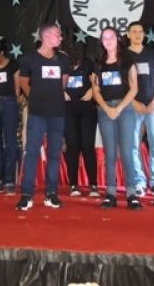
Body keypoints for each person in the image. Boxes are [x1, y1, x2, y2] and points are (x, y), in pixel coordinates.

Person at [15, 24, 70, 211]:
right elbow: (23, 81)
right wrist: (35, 98)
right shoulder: (29, 59)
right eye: (57, 35)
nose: (60, 38)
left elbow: (63, 83)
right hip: (37, 113)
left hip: (57, 112)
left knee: (54, 153)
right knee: (31, 152)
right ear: (46, 36)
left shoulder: (63, 59)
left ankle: (51, 193)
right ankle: (27, 194)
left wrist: (52, 97)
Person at [92, 27, 142, 210]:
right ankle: (110, 193)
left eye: (111, 37)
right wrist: (107, 108)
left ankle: (132, 194)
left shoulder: (128, 60)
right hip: (105, 111)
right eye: (104, 38)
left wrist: (119, 108)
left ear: (118, 39)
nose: (108, 40)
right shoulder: (98, 63)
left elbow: (134, 88)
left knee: (127, 152)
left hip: (125, 109)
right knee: (110, 153)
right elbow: (95, 90)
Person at [125, 21, 154, 199]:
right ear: (128, 35)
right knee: (133, 145)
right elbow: (122, 83)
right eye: (134, 31)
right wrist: (133, 102)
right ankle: (139, 182)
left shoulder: (153, 54)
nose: (138, 34)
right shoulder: (123, 55)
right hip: (132, 106)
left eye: (140, 31)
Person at [61, 38, 99, 197]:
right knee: (72, 146)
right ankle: (73, 184)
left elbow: (96, 82)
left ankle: (93, 184)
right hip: (68, 111)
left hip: (87, 110)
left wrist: (92, 91)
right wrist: (61, 92)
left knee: (87, 146)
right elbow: (52, 83)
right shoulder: (60, 66)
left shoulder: (87, 64)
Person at [0, 39, 20, 196]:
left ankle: (9, 182)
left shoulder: (13, 65)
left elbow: (17, 88)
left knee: (11, 142)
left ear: (1, 53)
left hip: (9, 103)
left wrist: (12, 101)